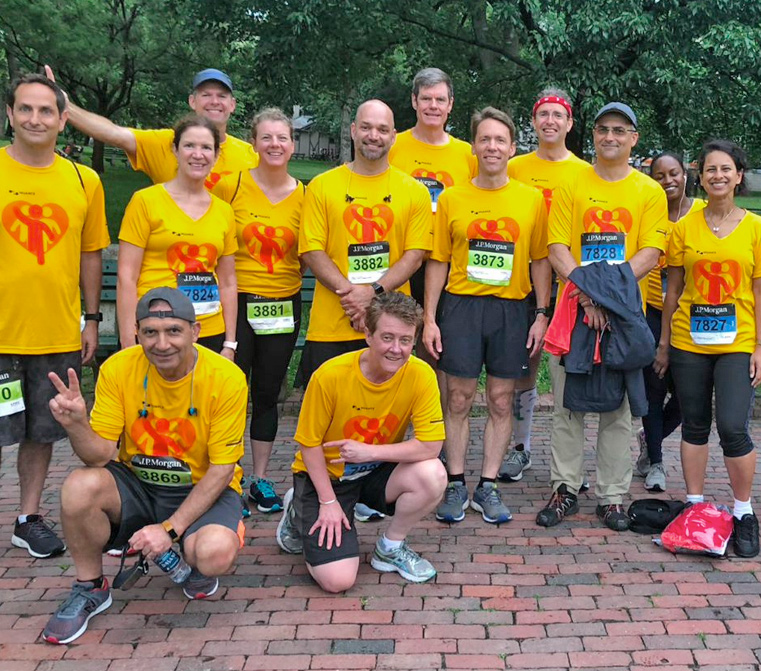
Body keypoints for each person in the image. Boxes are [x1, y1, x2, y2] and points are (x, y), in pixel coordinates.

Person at [41, 287, 248, 644]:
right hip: (138, 484)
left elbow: (222, 469)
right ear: (137, 332)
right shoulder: (119, 367)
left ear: (195, 332)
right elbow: (99, 456)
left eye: (173, 331)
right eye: (150, 332)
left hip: (201, 488)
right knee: (79, 485)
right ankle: (91, 586)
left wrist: (168, 530)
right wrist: (77, 425)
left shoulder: (226, 378)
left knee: (213, 555)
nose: (161, 343)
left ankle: (190, 547)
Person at [538, 102, 666, 531]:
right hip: (574, 312)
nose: (609, 137)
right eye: (602, 129)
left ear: (634, 138)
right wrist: (590, 299)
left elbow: (649, 254)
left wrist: (607, 301)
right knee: (567, 408)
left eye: (619, 130)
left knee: (621, 413)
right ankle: (565, 489)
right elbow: (558, 249)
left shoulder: (648, 192)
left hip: (626, 318)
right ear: (591, 135)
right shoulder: (571, 185)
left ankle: (612, 497)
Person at [423, 107, 551, 525]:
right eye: (485, 139)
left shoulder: (530, 199)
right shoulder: (455, 198)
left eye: (500, 140)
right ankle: (456, 482)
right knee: (457, 398)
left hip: (512, 310)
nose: (492, 147)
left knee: (500, 399)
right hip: (461, 307)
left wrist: (541, 314)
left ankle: (489, 485)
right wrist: (429, 318)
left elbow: (540, 261)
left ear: (512, 148)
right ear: (474, 146)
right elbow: (438, 260)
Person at [1, 73, 110, 558]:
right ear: (9, 115)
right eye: (25, 109)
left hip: (55, 332)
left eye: (47, 111)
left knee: (42, 433)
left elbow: (91, 255)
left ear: (63, 120)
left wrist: (91, 318)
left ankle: (28, 517)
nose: (35, 119)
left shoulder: (84, 180)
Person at [275, 292, 446, 591]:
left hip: (374, 470)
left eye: (405, 340)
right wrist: (327, 501)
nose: (396, 349)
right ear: (368, 333)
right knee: (338, 581)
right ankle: (298, 509)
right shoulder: (329, 376)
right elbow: (309, 444)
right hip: (327, 476)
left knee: (433, 474)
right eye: (387, 337)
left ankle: (390, 548)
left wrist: (369, 452)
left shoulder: (421, 375)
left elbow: (431, 446)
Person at [654, 139, 761, 558]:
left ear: (738, 176)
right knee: (694, 424)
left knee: (734, 425)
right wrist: (664, 343)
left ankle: (743, 511)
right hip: (688, 340)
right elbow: (672, 291)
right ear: (701, 176)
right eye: (710, 169)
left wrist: (758, 347)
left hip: (738, 342)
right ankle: (695, 507)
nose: (717, 176)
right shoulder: (684, 228)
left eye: (725, 169)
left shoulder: (754, 227)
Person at [298, 99, 431, 386]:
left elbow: (415, 254)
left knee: (388, 421)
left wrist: (372, 293)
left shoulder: (414, 191)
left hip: (392, 329)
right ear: (353, 130)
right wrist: (353, 296)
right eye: (367, 127)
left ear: (393, 136)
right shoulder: (322, 185)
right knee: (327, 420)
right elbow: (311, 249)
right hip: (331, 326)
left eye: (382, 129)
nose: (374, 135)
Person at [213, 108, 304, 514]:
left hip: (283, 304)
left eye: (282, 138)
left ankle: (260, 478)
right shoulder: (230, 187)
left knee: (267, 393)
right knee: (231, 392)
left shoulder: (306, 194)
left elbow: (308, 252)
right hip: (236, 302)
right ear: (253, 143)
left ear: (293, 144)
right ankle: (227, 478)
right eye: (266, 138)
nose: (274, 145)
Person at [499, 87, 589, 483]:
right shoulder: (515, 167)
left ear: (570, 123)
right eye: (543, 114)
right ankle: (521, 448)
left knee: (573, 371)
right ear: (533, 122)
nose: (550, 121)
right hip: (523, 282)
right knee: (526, 366)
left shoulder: (585, 172)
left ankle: (570, 461)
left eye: (558, 115)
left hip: (571, 285)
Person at [117, 115, 238, 356]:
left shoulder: (224, 211)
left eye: (206, 147)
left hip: (208, 329)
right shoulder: (145, 201)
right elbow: (127, 277)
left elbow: (228, 281)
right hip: (157, 327)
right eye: (189, 145)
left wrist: (230, 343)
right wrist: (128, 340)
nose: (198, 154)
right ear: (175, 149)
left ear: (216, 156)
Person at [45, 66, 257, 189]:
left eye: (221, 96)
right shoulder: (165, 142)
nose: (214, 102)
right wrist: (66, 107)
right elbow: (113, 132)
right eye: (206, 95)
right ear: (192, 101)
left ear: (232, 105)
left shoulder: (250, 156)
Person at [636, 152, 704, 492]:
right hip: (651, 310)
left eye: (673, 173)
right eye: (659, 175)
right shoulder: (650, 213)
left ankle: (649, 438)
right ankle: (656, 462)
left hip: (693, 315)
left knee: (690, 395)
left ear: (686, 173)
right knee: (655, 386)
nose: (668, 181)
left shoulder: (702, 214)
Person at [388, 67, 476, 309]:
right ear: (414, 101)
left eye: (440, 99)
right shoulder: (394, 147)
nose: (433, 106)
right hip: (400, 258)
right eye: (426, 98)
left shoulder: (468, 154)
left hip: (449, 260)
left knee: (438, 339)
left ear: (450, 105)